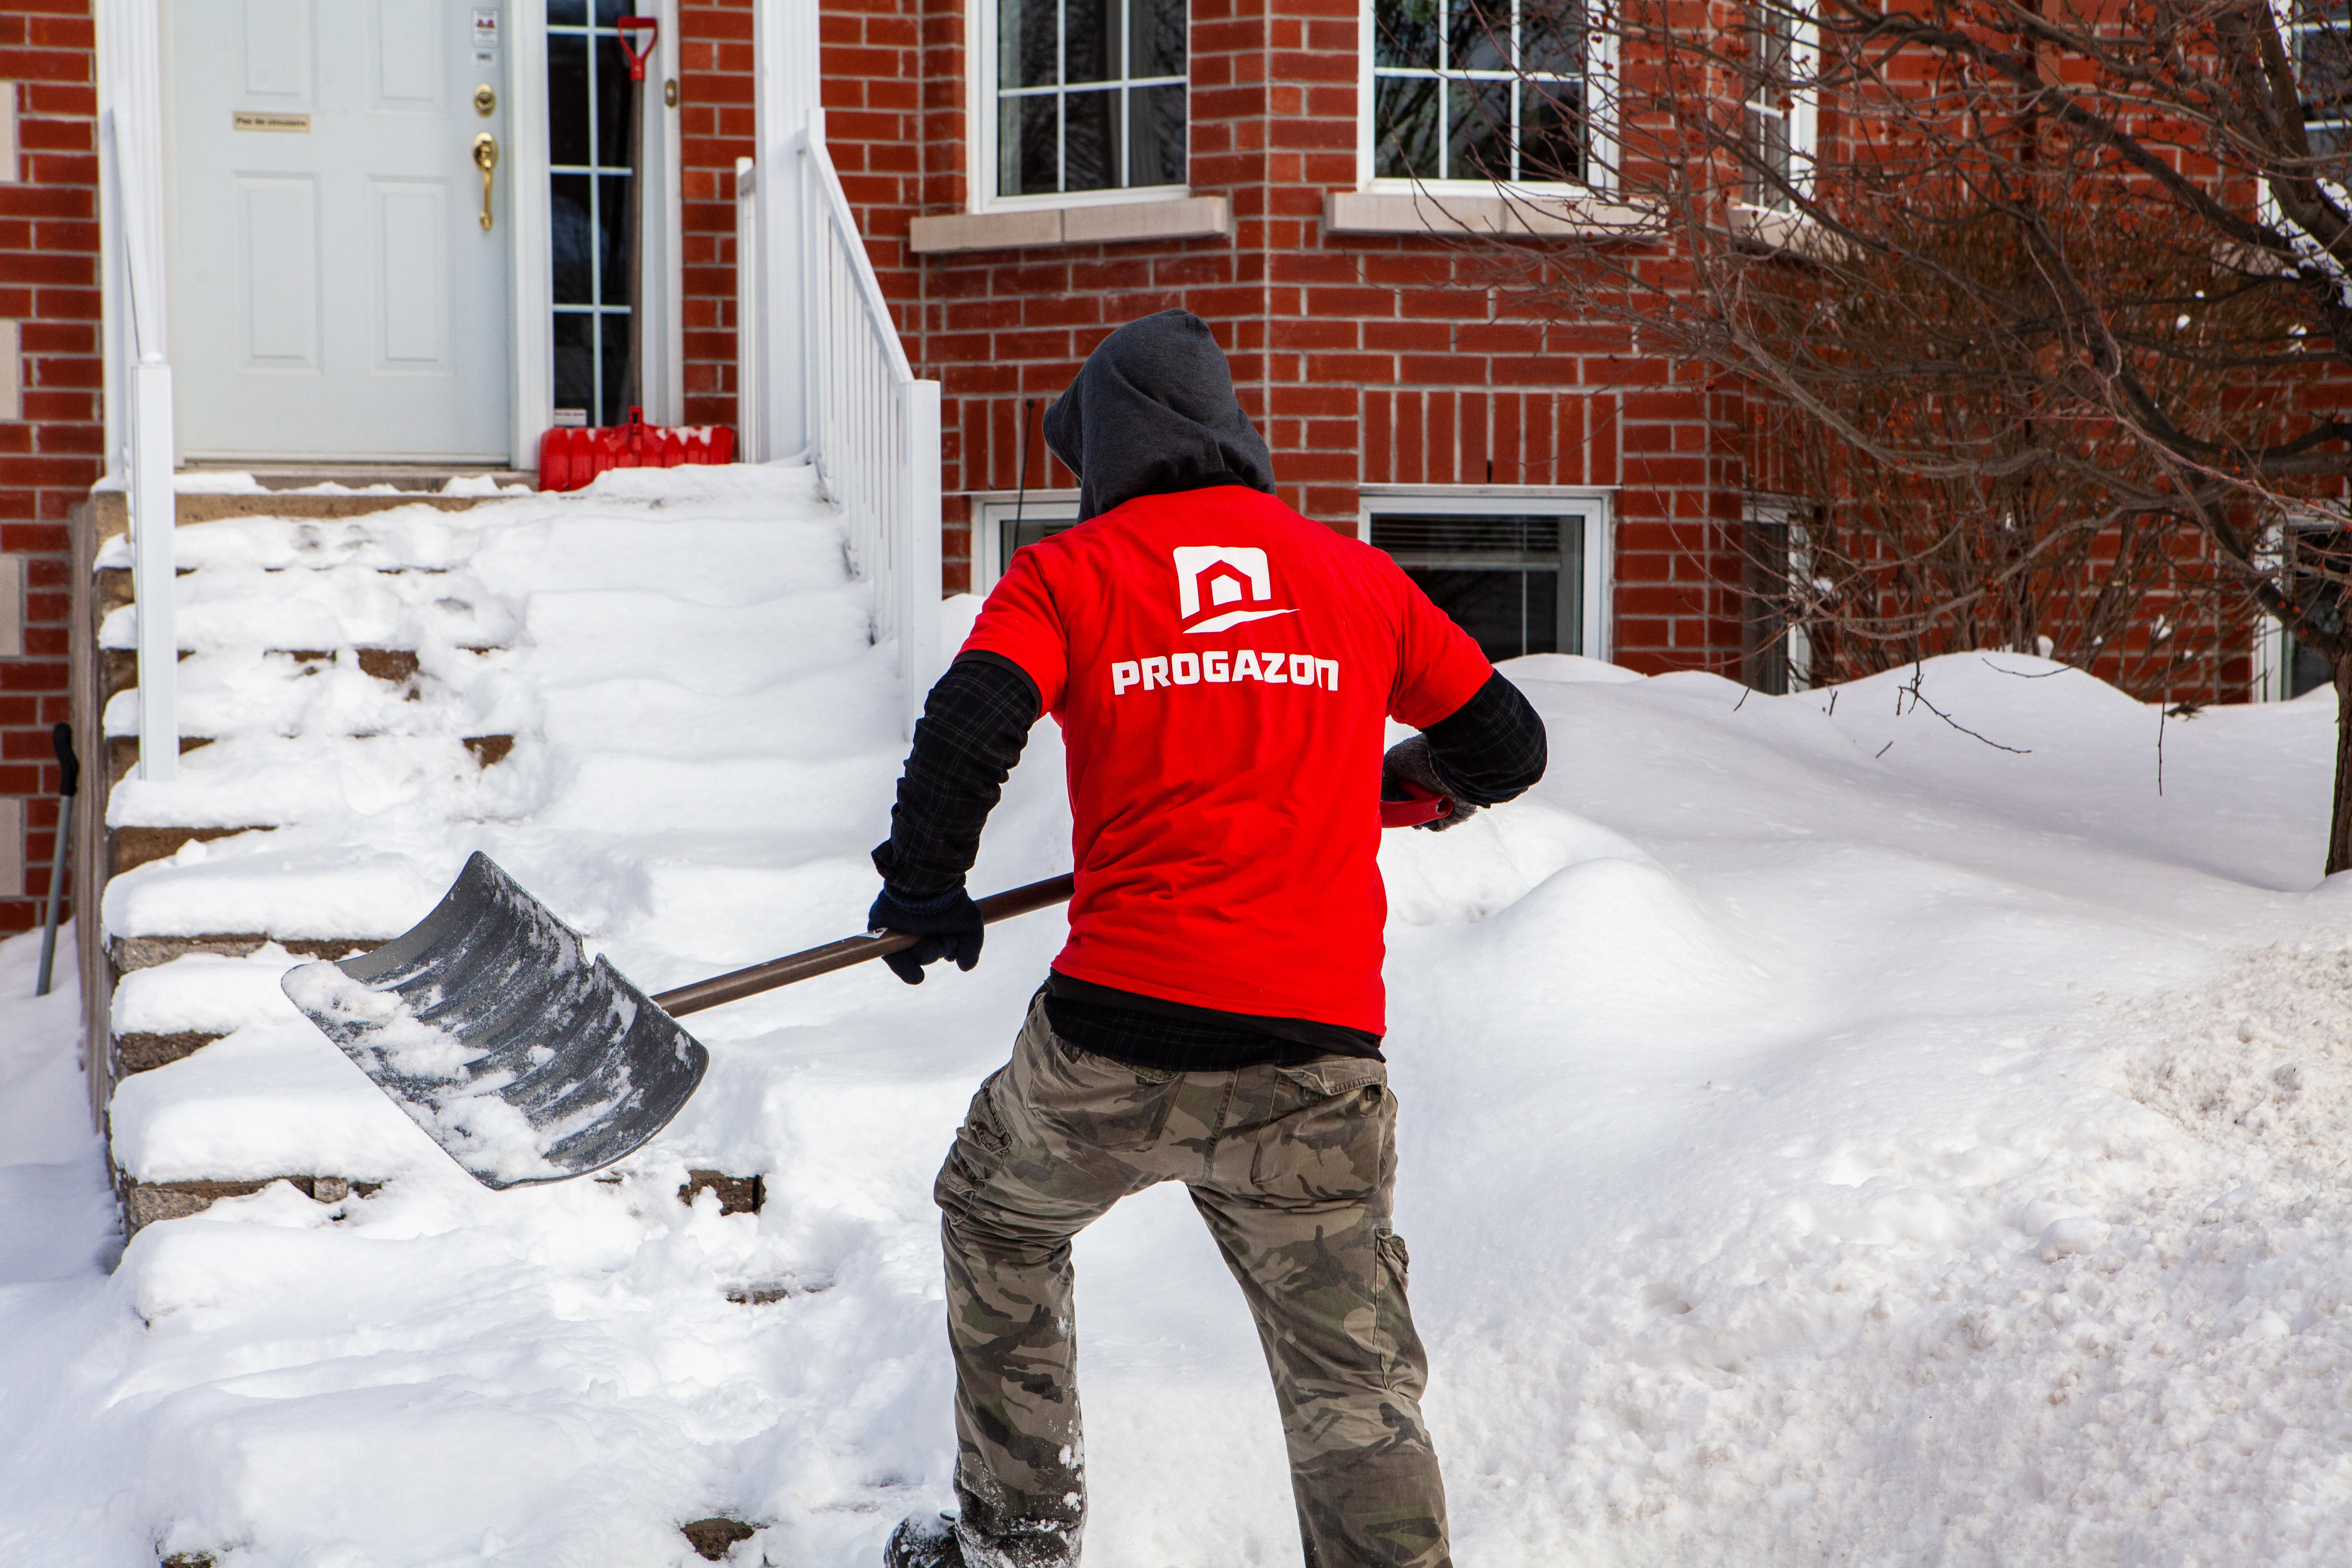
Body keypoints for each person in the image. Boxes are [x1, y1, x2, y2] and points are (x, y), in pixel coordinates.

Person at [869, 309, 1547, 1568]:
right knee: (1350, 1380)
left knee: (999, 1217)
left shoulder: (1074, 576)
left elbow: (972, 720)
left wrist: (924, 888)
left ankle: (1016, 1545)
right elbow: (1511, 747)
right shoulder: (1356, 579)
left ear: (1112, 453)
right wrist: (1419, 779)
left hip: (1111, 1051)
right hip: (1315, 1065)